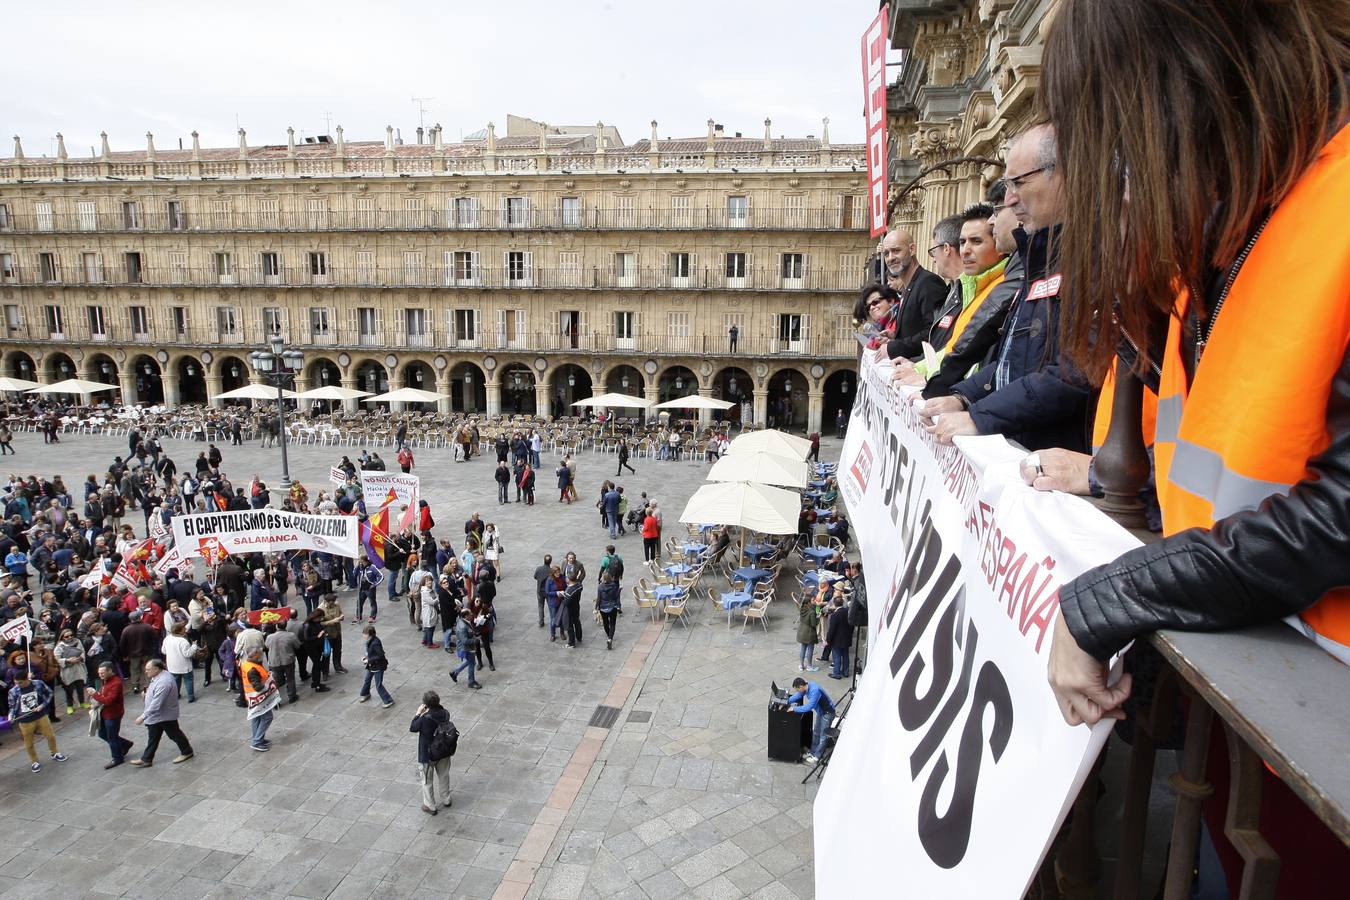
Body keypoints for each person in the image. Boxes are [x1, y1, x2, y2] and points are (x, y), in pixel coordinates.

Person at [918, 126, 1089, 453]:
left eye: (1018, 183)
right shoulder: (1039, 261)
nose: (1010, 199)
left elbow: (1073, 373)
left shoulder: (1086, 260)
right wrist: (963, 396)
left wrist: (980, 416)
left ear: (1063, 176)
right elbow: (1015, 360)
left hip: (1053, 460)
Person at [878, 228, 949, 360]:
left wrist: (894, 347)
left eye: (896, 251)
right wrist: (895, 336)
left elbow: (934, 332)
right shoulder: (908, 286)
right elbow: (916, 328)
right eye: (886, 253)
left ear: (912, 249)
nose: (890, 258)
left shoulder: (928, 282)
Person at [128, 659, 194, 767]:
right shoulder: (159, 676)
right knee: (154, 736)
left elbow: (156, 703)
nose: (146, 672)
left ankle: (187, 751)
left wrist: (143, 717)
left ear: (157, 669)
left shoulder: (164, 682)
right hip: (158, 715)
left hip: (164, 715)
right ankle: (147, 759)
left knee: (174, 734)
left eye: (148, 669)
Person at [6, 667, 66, 772]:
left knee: (50, 736)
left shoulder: (38, 683)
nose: (17, 685)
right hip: (24, 721)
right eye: (16, 683)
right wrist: (11, 716)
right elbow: (12, 706)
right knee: (29, 743)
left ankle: (54, 752)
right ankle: (34, 761)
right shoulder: (13, 691)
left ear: (26, 680)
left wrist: (43, 705)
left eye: (20, 683)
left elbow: (50, 693)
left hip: (41, 716)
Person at [410, 691, 455, 814]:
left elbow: (413, 727)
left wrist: (418, 713)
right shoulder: (445, 713)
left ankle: (430, 805)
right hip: (444, 751)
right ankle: (446, 799)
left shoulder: (425, 718)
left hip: (428, 754)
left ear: (426, 704)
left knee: (427, 780)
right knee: (444, 775)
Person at [87, 661, 134, 768]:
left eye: (102, 673)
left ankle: (117, 758)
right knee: (102, 734)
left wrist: (94, 694)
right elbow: (103, 694)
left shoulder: (116, 683)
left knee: (112, 737)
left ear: (110, 671)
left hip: (113, 714)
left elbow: (109, 700)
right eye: (99, 673)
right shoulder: (106, 680)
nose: (100, 675)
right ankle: (125, 744)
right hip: (105, 713)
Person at [785, 676, 836, 765]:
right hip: (821, 713)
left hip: (827, 714)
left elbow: (809, 707)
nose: (797, 691)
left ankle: (817, 757)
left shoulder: (814, 691)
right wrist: (786, 701)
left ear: (801, 686)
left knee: (823, 736)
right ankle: (812, 752)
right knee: (816, 732)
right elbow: (799, 695)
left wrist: (794, 709)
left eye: (797, 689)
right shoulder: (806, 686)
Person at [239, 642, 280, 751]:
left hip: (251, 697)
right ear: (255, 654)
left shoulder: (247, 664)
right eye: (259, 653)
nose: (261, 654)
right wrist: (269, 681)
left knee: (256, 717)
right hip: (258, 697)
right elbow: (258, 687)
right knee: (267, 717)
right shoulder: (252, 669)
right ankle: (257, 741)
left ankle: (258, 739)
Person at [358, 625, 395, 707]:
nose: (363, 635)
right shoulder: (370, 641)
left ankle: (388, 700)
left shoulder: (375, 643)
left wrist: (368, 660)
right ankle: (366, 693)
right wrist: (366, 657)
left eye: (365, 633)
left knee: (378, 685)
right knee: (367, 680)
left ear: (369, 634)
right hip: (371, 666)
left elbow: (380, 655)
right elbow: (371, 653)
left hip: (378, 666)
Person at [264, 622, 300, 704]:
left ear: (276, 626)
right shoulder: (291, 635)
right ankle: (292, 696)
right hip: (288, 661)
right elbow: (297, 645)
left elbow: (266, 646)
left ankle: (276, 700)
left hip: (274, 662)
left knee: (276, 681)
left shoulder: (270, 637)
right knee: (290, 679)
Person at [161, 621, 197, 703]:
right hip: (184, 666)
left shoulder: (167, 638)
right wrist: (194, 646)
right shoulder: (183, 641)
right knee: (188, 680)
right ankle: (190, 696)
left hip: (172, 666)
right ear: (179, 630)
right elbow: (187, 654)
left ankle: (176, 695)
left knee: (175, 681)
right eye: (183, 628)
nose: (185, 629)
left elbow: (163, 651)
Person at [448, 613, 481, 688]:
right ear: (466, 616)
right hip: (466, 648)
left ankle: (455, 672)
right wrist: (475, 640)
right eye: (470, 614)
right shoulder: (463, 626)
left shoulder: (463, 622)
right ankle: (471, 682)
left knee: (469, 661)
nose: (472, 615)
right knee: (472, 663)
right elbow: (465, 640)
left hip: (466, 648)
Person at [825, 595, 853, 679]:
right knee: (845, 655)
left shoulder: (835, 615)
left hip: (837, 640)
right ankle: (846, 672)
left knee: (836, 656)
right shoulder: (847, 611)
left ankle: (836, 673)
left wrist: (828, 640)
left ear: (834, 604)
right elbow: (852, 625)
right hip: (846, 638)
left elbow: (831, 630)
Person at [796, 590, 824, 673]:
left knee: (803, 648)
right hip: (809, 634)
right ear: (808, 602)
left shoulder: (802, 609)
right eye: (813, 600)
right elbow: (813, 623)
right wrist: (818, 617)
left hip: (801, 632)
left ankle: (801, 665)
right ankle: (809, 665)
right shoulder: (812, 612)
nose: (814, 601)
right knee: (810, 649)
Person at [319, 593, 347, 673]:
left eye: (334, 602)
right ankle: (325, 671)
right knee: (326, 653)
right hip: (328, 634)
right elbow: (320, 623)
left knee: (338, 650)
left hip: (337, 631)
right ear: (326, 602)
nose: (333, 604)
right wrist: (332, 621)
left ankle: (338, 666)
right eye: (331, 603)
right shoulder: (320, 609)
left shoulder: (336, 604)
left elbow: (340, 612)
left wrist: (341, 616)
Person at [595, 572, 621, 650]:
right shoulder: (614, 585)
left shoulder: (600, 587)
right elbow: (616, 596)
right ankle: (610, 638)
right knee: (612, 623)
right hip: (612, 607)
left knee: (606, 623)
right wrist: (618, 605)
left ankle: (608, 635)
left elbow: (599, 598)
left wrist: (596, 607)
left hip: (603, 607)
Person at [533, 554, 553, 628]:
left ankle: (541, 621)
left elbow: (535, 577)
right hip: (548, 591)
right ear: (550, 562)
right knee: (550, 606)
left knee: (540, 606)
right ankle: (552, 620)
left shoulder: (539, 569)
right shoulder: (551, 571)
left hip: (540, 591)